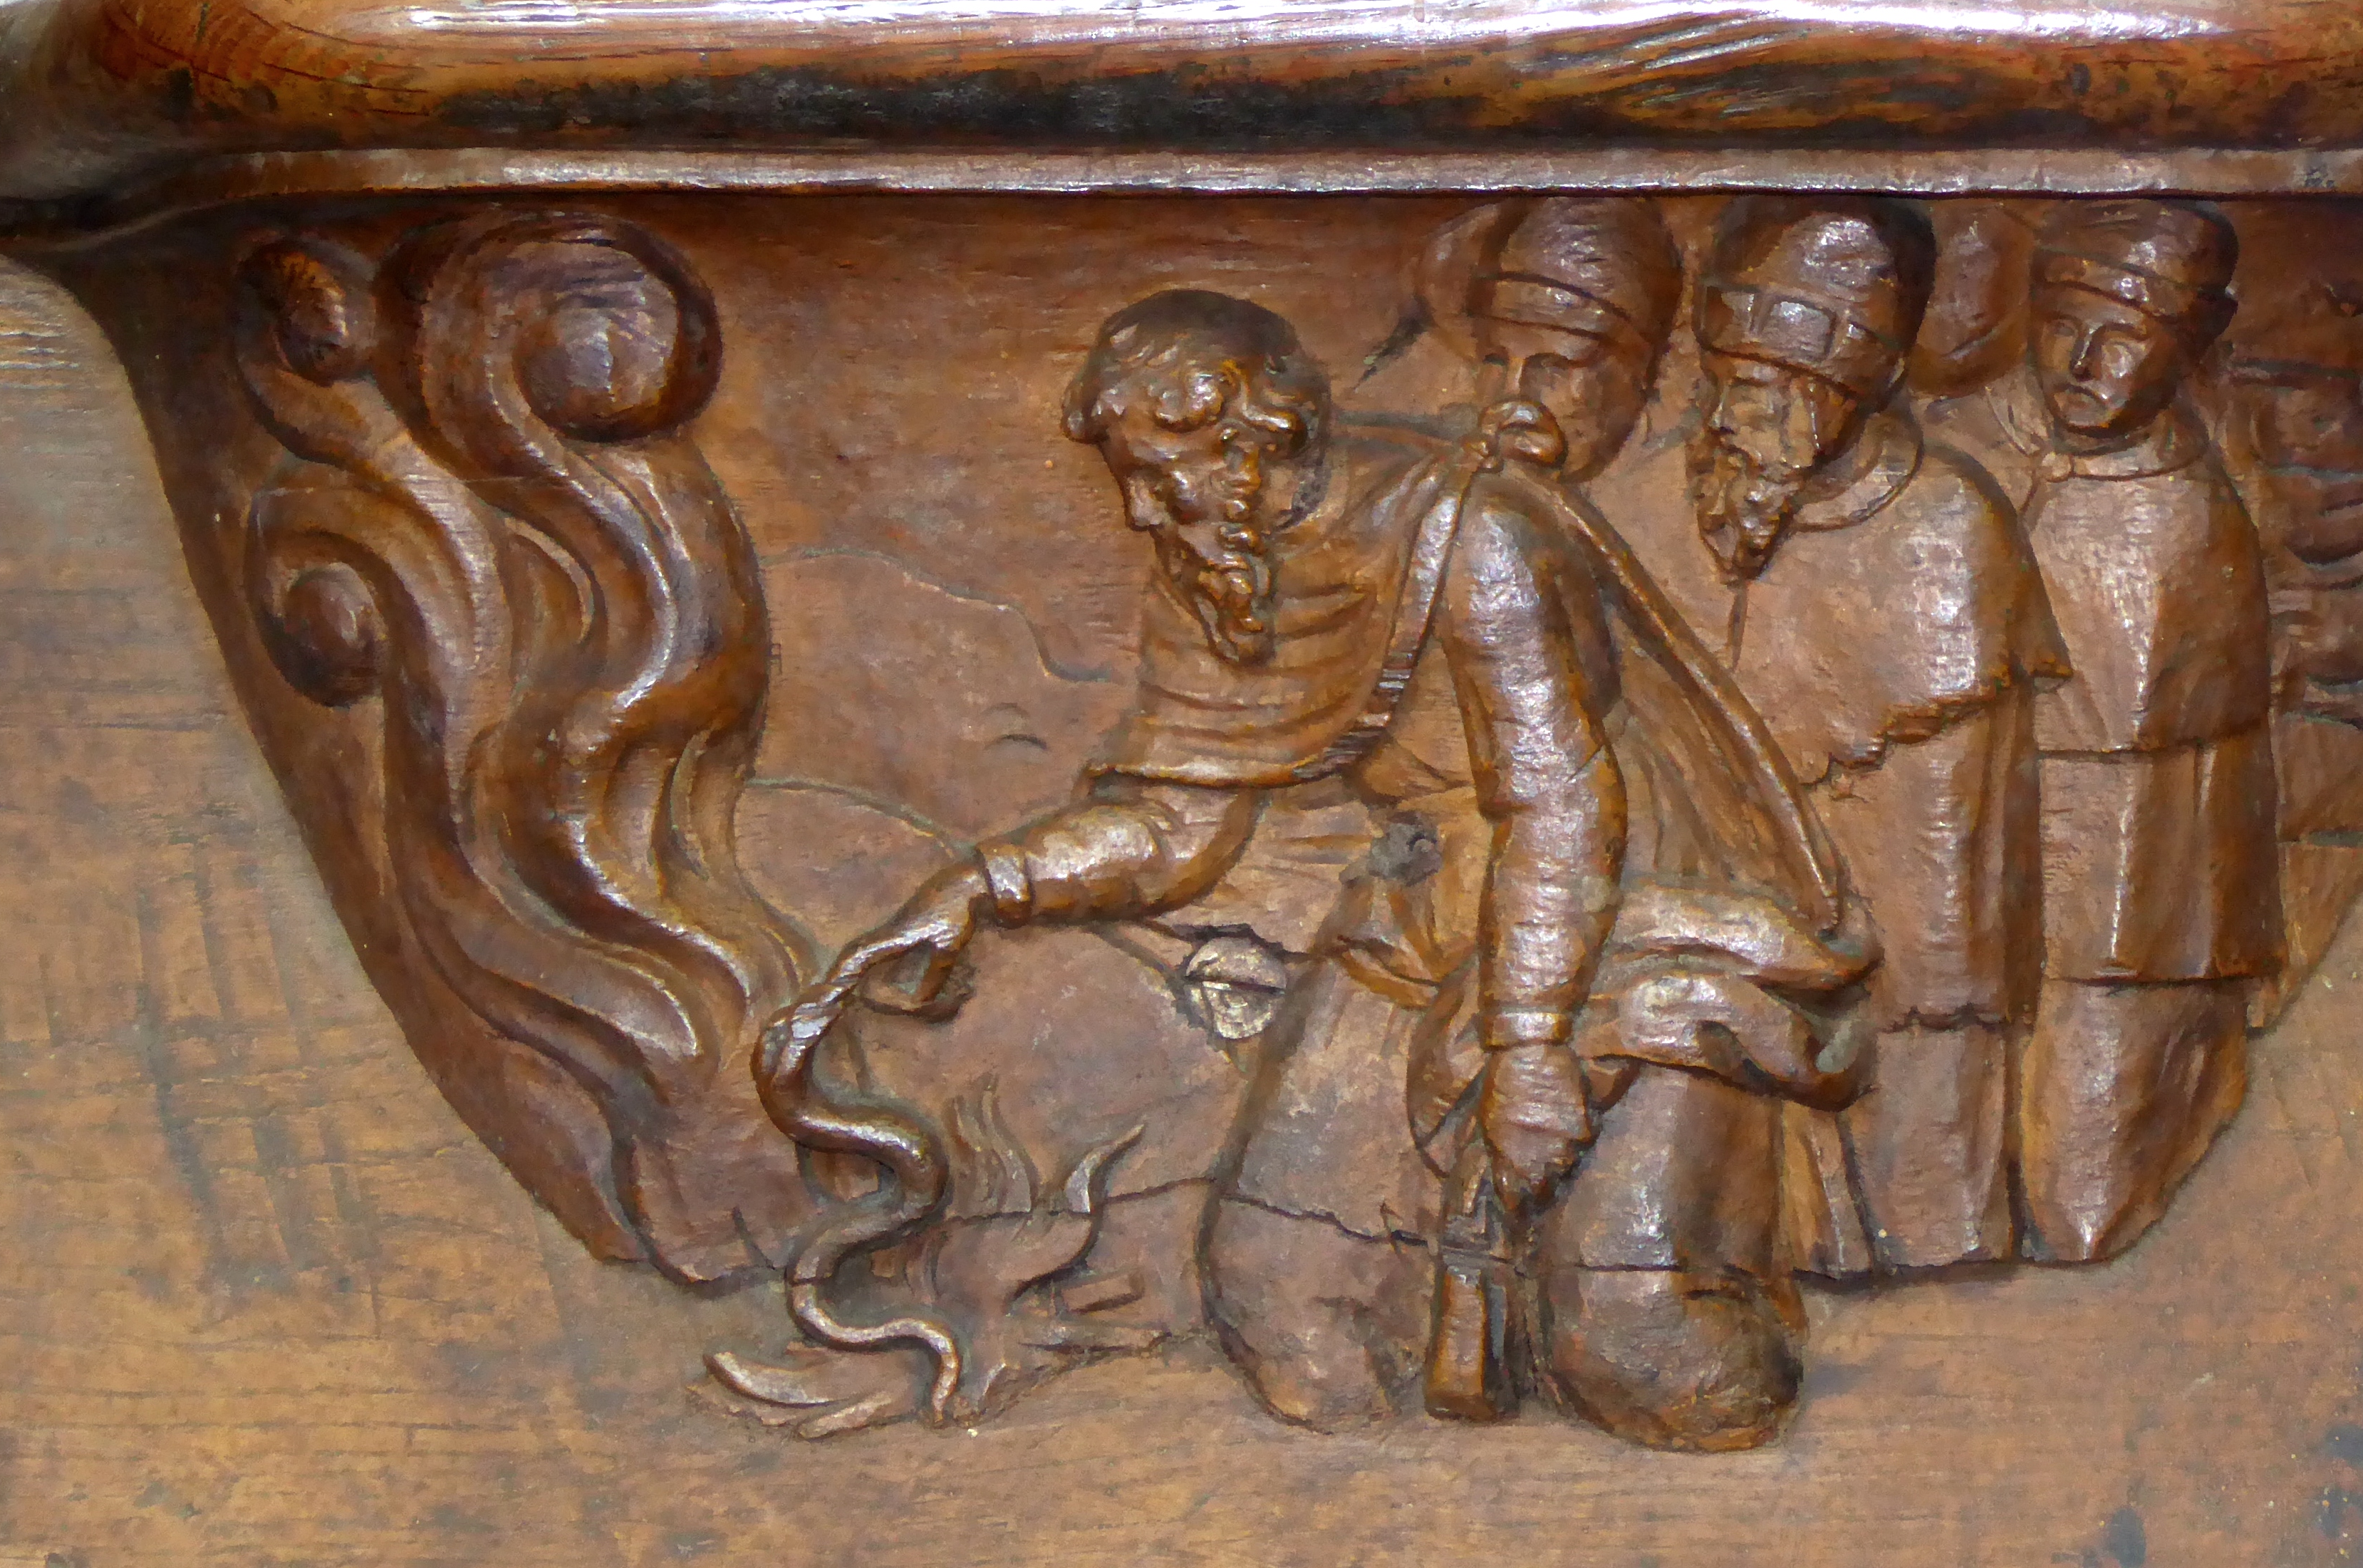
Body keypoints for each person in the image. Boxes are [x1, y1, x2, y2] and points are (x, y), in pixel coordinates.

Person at [772, 198, 1865, 1452]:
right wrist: (980, 887)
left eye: (1156, 475)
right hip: (1425, 909)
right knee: (1285, 1317)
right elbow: (1180, 827)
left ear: (1254, 442)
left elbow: (1558, 804)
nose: (1140, 516)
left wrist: (1527, 1049)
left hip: (1615, 918)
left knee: (1649, 1361)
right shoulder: (1222, 565)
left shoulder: (1470, 536)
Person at [1679, 195, 2067, 1277]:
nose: (1729, 419)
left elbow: (1952, 854)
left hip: (1908, 932)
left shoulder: (1946, 525)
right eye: (1723, 384)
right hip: (1740, 916)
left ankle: (1927, 1241)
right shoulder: (1701, 494)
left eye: (1765, 394)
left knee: (1925, 1029)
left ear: (1841, 392)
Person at [1929, 198, 2283, 1262]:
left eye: (2127, 336)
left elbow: (2191, 812)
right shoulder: (1942, 450)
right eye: (2061, 325)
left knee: (2077, 1195)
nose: (2084, 364)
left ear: (2193, 346)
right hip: (1928, 881)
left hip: (2113, 916)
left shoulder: (2191, 523)